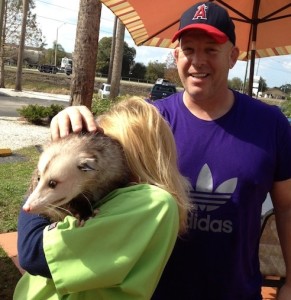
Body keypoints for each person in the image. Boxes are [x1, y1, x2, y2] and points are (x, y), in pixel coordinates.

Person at [49, 2, 291, 299]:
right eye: (188, 49)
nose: (197, 61)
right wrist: (68, 131)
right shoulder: (147, 124)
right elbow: (85, 175)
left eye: (211, 50)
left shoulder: (271, 124)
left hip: (236, 292)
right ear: (176, 55)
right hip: (152, 291)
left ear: (233, 56)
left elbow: (287, 207)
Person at [14, 97, 192, 300]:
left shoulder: (152, 202)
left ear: (134, 156)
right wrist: (56, 158)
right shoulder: (105, 196)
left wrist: (44, 183)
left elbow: (34, 252)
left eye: (107, 147)